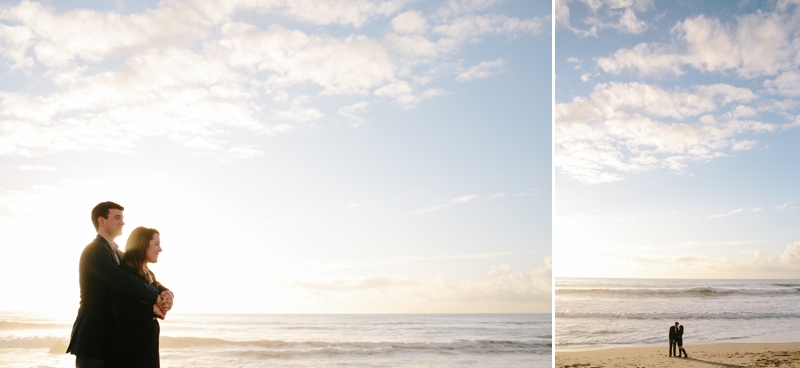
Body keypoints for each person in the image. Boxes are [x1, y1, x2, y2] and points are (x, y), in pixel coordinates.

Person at [66, 202, 173, 367]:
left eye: (122, 218)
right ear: (102, 221)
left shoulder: (120, 255)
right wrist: (154, 300)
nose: (122, 222)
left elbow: (139, 276)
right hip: (94, 337)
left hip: (111, 339)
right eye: (117, 218)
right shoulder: (94, 251)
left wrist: (166, 292)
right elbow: (122, 280)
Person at [107, 227, 169, 367]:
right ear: (142, 244)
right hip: (129, 351)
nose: (160, 250)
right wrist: (152, 310)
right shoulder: (125, 273)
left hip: (147, 349)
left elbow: (157, 288)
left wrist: (168, 295)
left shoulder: (148, 273)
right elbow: (121, 312)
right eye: (156, 244)